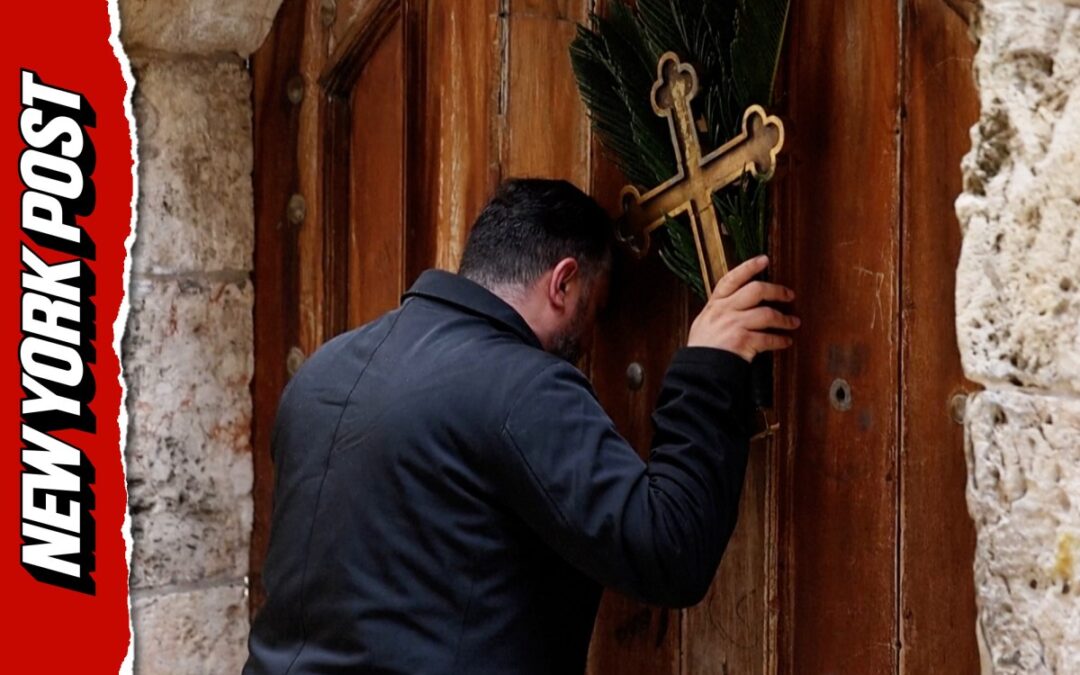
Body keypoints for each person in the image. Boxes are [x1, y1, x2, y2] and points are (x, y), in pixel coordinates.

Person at [243, 178, 799, 674]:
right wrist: (708, 365)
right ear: (563, 282)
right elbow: (669, 550)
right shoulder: (521, 383)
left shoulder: (323, 369)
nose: (589, 346)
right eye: (596, 309)